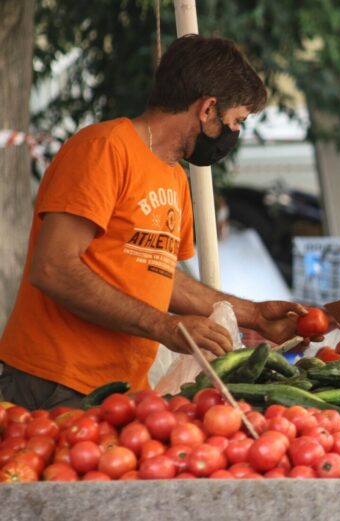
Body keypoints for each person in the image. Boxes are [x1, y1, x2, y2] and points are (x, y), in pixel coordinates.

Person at [0, 35, 317, 410]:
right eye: (236, 122)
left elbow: (161, 277)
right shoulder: (104, 148)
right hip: (54, 380)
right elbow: (53, 268)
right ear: (208, 108)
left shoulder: (174, 176)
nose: (234, 135)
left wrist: (254, 314)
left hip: (121, 391)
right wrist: (165, 326)